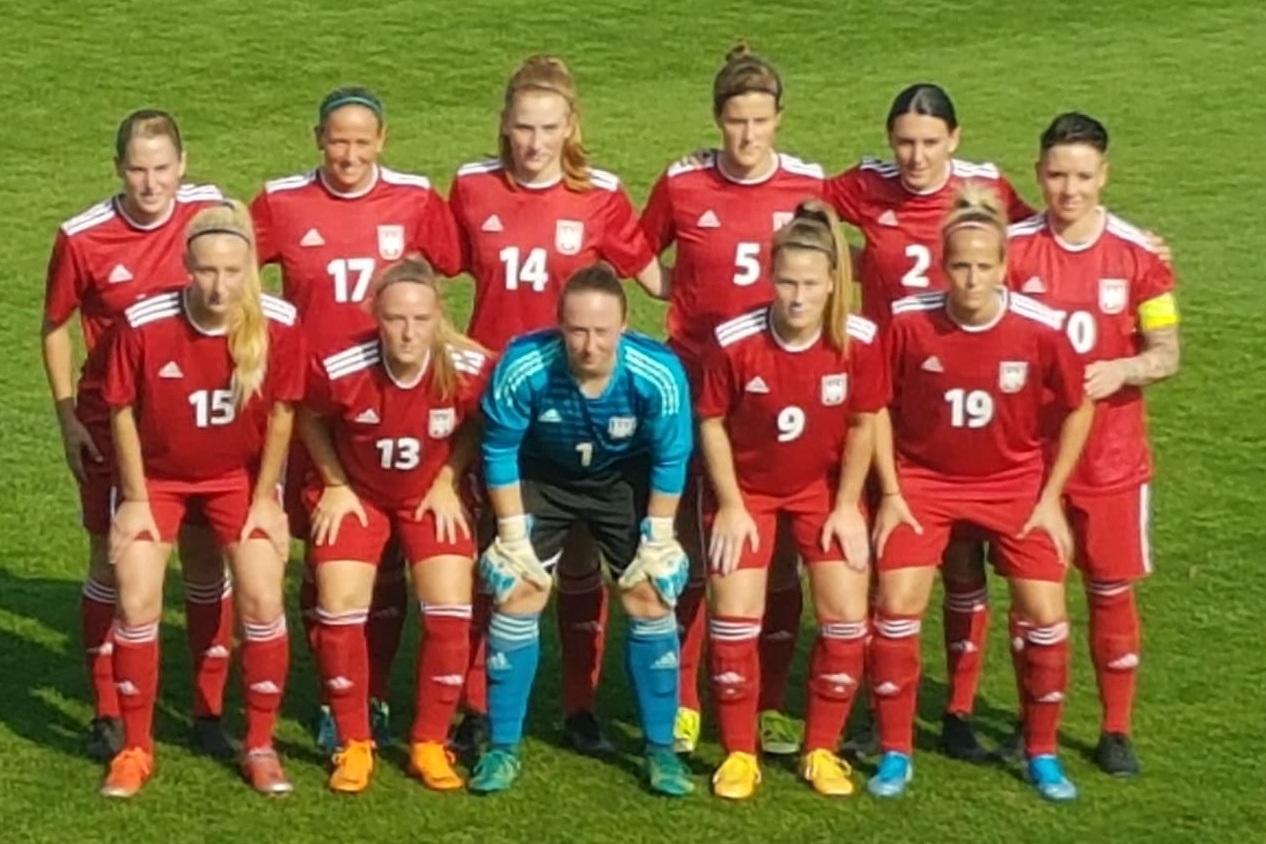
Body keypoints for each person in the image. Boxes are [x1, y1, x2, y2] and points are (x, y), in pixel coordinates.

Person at [447, 54, 665, 755]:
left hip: (580, 407)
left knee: (577, 560)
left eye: (547, 128)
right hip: (495, 406)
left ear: (571, 126)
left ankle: (579, 709)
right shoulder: (472, 187)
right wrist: (459, 345)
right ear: (504, 128)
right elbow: (422, 274)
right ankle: (475, 707)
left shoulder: (600, 195)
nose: (534, 143)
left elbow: (659, 281)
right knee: (499, 557)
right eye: (522, 128)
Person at [824, 83, 1035, 759]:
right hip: (882, 398)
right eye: (904, 142)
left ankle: (960, 710)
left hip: (962, 388)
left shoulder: (985, 187)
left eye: (929, 142)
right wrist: (847, 267)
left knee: (966, 564)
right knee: (882, 565)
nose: (915, 156)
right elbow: (801, 216)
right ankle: (872, 711)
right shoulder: (864, 186)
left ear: (955, 138)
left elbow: (1034, 239)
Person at [250, 86, 463, 751]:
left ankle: (375, 697)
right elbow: (235, 275)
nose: (348, 153)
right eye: (337, 139)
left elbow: (449, 271)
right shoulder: (280, 201)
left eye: (361, 140)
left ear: (383, 140)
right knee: (329, 551)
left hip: (400, 392)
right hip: (318, 403)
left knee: (399, 555)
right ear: (318, 138)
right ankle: (338, 699)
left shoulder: (416, 198)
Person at [866, 186, 1092, 802]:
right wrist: (891, 490)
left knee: (1046, 613)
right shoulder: (910, 323)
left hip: (1013, 485)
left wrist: (1051, 497)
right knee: (896, 603)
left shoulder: (1040, 330)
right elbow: (876, 405)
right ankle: (894, 751)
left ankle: (1042, 751)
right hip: (925, 483)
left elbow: (1078, 407)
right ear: (944, 265)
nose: (971, 277)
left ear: (1004, 267)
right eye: (960, 264)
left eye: (983, 265)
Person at [639, 43, 825, 756]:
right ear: (718, 120)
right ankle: (684, 698)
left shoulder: (809, 187)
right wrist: (675, 294)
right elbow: (633, 247)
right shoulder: (684, 183)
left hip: (783, 392)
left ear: (779, 119)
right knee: (692, 540)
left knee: (775, 553)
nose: (748, 137)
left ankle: (767, 699)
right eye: (735, 122)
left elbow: (850, 251)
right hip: (694, 388)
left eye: (760, 121)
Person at [41, 109, 236, 761]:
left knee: (207, 560)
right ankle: (106, 712)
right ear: (118, 168)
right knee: (112, 560)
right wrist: (67, 414)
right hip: (110, 423)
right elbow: (55, 326)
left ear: (182, 164)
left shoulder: (212, 212)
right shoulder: (83, 237)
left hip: (199, 419)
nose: (151, 184)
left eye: (162, 168)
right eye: (137, 169)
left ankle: (209, 712)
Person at [97, 200, 304, 798]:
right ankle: (135, 749)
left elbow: (285, 414)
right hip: (156, 479)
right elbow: (121, 411)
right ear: (186, 265)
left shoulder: (279, 324)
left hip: (237, 478)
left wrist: (266, 499)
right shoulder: (143, 322)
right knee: (136, 601)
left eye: (233, 272)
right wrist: (134, 499)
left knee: (263, 596)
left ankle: (260, 745)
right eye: (207, 271)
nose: (220, 286)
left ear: (251, 270)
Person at [471, 263, 693, 796]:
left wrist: (659, 537)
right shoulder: (524, 364)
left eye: (601, 331)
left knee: (649, 593)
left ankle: (662, 753)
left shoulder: (657, 372)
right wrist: (512, 536)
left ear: (624, 325)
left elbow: (672, 454)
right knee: (517, 589)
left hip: (621, 478)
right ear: (559, 324)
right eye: (577, 330)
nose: (589, 345)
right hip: (542, 475)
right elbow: (499, 448)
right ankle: (502, 749)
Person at [1007, 112, 1180, 776]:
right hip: (1033, 461)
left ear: (1104, 175)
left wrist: (1123, 369)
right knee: (1034, 599)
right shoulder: (1014, 250)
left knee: (1110, 591)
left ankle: (1115, 729)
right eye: (1056, 175)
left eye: (1082, 176)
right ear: (1038, 174)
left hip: (1112, 462)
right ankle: (1035, 724)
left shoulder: (1138, 256)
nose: (1068, 190)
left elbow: (1166, 352)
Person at [696, 201, 885, 799]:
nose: (798, 297)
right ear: (770, 278)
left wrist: (847, 506)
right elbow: (712, 424)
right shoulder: (734, 341)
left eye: (810, 284)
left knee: (847, 617)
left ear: (833, 282)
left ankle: (822, 749)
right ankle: (739, 753)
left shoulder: (857, 341)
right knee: (733, 619)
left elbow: (862, 425)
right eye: (786, 282)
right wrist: (729, 504)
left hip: (820, 493)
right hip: (747, 492)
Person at [297, 256, 491, 794]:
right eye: (395, 319)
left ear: (437, 318)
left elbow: (477, 424)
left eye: (420, 320)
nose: (408, 332)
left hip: (428, 496)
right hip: (359, 495)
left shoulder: (466, 367)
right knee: (338, 604)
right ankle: (353, 741)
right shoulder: (341, 368)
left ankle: (430, 741)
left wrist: (449, 477)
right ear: (375, 316)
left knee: (451, 607)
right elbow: (307, 417)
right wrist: (335, 483)